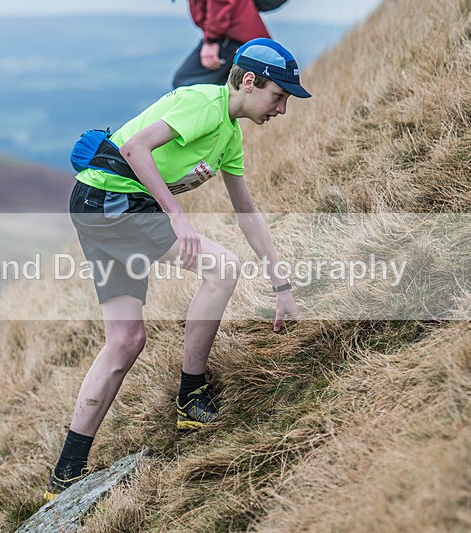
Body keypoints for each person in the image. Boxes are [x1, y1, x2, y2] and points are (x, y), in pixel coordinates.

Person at [44, 38, 311, 502]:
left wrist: (281, 285)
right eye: (279, 95)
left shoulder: (230, 135)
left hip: (98, 202)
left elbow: (246, 211)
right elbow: (134, 148)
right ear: (249, 82)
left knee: (125, 341)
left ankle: (65, 474)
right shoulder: (202, 104)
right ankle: (191, 396)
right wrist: (176, 215)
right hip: (112, 200)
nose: (282, 108)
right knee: (222, 269)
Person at [173, 0, 271, 88]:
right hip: (240, 37)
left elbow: (221, 2)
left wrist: (211, 40)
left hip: (233, 38)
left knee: (185, 83)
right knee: (230, 87)